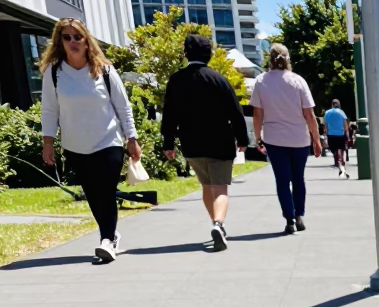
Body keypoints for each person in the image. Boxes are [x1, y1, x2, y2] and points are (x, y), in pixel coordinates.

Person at [39, 17, 141, 263]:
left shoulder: (103, 69)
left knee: (105, 191)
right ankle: (110, 234)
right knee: (93, 194)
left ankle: (107, 240)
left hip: (109, 141)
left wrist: (132, 138)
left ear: (86, 40)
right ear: (59, 41)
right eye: (67, 37)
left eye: (78, 37)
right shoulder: (54, 73)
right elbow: (49, 110)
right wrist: (48, 142)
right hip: (75, 145)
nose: (73, 42)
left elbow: (123, 106)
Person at [160, 34, 249, 251]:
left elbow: (169, 114)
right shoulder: (219, 79)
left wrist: (168, 142)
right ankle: (218, 223)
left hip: (191, 142)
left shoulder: (176, 80)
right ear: (209, 54)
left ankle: (217, 223)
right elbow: (235, 112)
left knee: (206, 186)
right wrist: (243, 138)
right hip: (220, 140)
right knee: (220, 188)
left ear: (186, 54)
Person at [250, 43, 322, 234]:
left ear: (270, 59)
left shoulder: (261, 81)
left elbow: (258, 115)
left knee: (282, 181)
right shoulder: (298, 81)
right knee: (298, 178)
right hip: (299, 138)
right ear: (288, 58)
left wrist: (259, 138)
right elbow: (309, 114)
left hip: (274, 139)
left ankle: (289, 219)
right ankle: (299, 215)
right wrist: (316, 139)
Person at [324, 99, 350, 177]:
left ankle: (338, 161)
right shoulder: (341, 112)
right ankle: (340, 162)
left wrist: (326, 133)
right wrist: (347, 134)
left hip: (331, 134)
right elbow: (345, 125)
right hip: (340, 134)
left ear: (332, 104)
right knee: (341, 149)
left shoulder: (327, 113)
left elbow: (325, 125)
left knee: (333, 149)